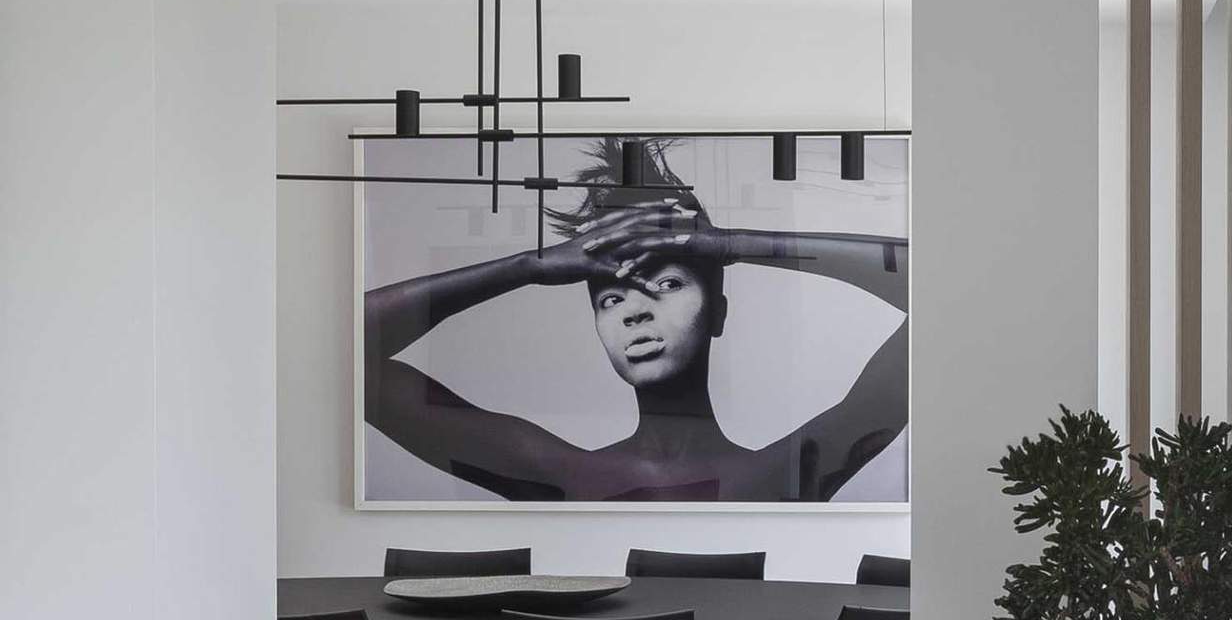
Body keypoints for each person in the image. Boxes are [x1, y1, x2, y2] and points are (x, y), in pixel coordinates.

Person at [364, 140, 907, 502]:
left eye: (668, 284)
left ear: (717, 312)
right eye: (610, 299)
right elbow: (347, 352)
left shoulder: (788, 471)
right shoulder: (553, 472)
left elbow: (935, 293)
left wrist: (729, 244)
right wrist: (528, 266)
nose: (636, 310)